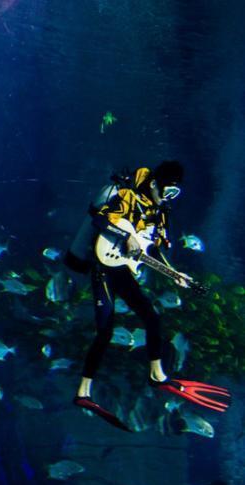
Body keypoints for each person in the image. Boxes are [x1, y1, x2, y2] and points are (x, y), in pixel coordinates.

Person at [74, 161, 228, 429]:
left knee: (152, 317)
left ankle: (157, 374)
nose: (168, 198)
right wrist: (125, 234)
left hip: (122, 269)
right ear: (156, 183)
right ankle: (83, 392)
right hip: (104, 266)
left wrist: (174, 274)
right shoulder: (128, 196)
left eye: (174, 194)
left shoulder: (157, 213)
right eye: (167, 191)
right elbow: (100, 219)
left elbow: (152, 250)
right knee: (105, 331)